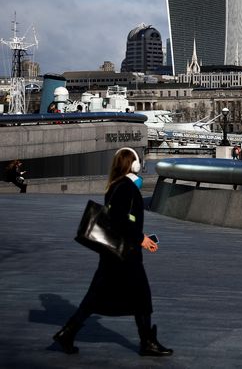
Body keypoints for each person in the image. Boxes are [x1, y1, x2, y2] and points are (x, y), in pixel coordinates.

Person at [52, 148, 172, 357]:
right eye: (137, 162)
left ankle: (67, 333)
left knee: (96, 298)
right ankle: (147, 343)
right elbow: (120, 220)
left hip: (114, 255)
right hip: (124, 256)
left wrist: (140, 236)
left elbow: (124, 220)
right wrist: (140, 238)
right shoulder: (126, 188)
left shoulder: (116, 185)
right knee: (142, 298)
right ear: (132, 165)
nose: (140, 165)